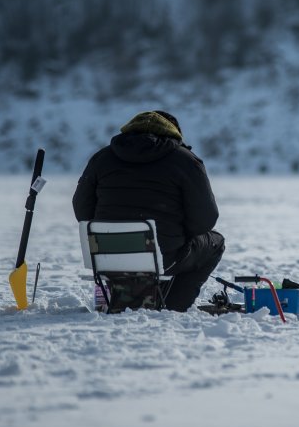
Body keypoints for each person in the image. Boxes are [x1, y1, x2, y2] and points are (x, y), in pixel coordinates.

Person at [72, 110, 224, 311]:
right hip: (165, 255)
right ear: (174, 134)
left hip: (108, 256)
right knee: (215, 242)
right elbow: (206, 219)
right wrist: (180, 234)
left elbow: (82, 210)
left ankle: (125, 297)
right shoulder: (186, 160)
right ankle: (173, 306)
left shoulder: (102, 158)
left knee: (145, 252)